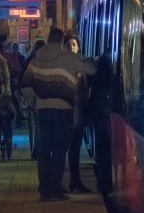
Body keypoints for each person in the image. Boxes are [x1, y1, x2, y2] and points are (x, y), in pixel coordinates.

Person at [21, 28, 97, 201]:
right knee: (59, 151)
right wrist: (89, 58)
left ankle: (44, 188)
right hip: (63, 110)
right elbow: (92, 69)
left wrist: (35, 102)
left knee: (44, 150)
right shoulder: (69, 58)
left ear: (48, 39)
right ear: (62, 40)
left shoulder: (36, 59)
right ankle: (54, 189)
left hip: (42, 110)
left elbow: (24, 85)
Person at [64, 33, 92, 193]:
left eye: (74, 45)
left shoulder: (83, 63)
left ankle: (75, 181)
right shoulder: (62, 64)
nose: (71, 48)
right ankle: (61, 182)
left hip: (79, 111)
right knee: (64, 148)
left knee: (75, 147)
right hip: (65, 112)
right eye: (68, 45)